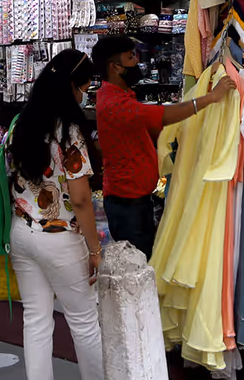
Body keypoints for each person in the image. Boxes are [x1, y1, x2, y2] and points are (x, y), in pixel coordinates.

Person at [7, 48, 104, 380]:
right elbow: (80, 199)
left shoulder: (21, 124)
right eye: (86, 88)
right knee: (84, 322)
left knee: (35, 321)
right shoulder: (69, 133)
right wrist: (95, 248)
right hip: (60, 238)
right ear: (72, 87)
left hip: (21, 232)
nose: (85, 95)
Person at [91, 35, 234, 258]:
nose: (136, 62)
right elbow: (164, 115)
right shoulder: (115, 105)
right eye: (130, 58)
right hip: (128, 204)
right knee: (138, 266)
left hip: (133, 199)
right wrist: (211, 98)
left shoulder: (116, 94)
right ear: (115, 67)